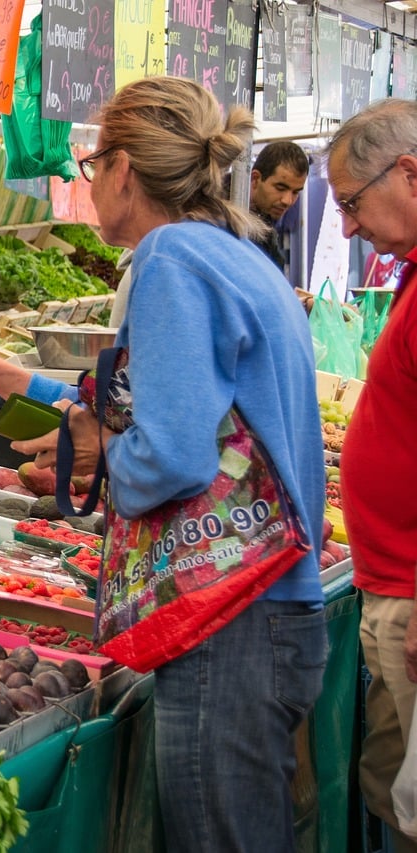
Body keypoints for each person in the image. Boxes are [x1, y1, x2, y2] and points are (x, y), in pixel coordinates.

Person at [0, 76, 325, 852]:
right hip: (268, 609)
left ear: (124, 169)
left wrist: (98, 450)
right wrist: (0, 372)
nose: (88, 184)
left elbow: (171, 456)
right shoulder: (233, 253)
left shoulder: (170, 259)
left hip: (231, 623)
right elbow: (154, 405)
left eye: (90, 167)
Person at [327, 98, 417, 853]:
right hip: (393, 581)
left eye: (352, 203)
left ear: (409, 174)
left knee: (406, 799)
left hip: (412, 596)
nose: (348, 227)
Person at [247, 140, 310, 271]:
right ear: (255, 179)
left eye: (295, 192)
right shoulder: (219, 221)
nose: (288, 201)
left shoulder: (266, 224)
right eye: (280, 188)